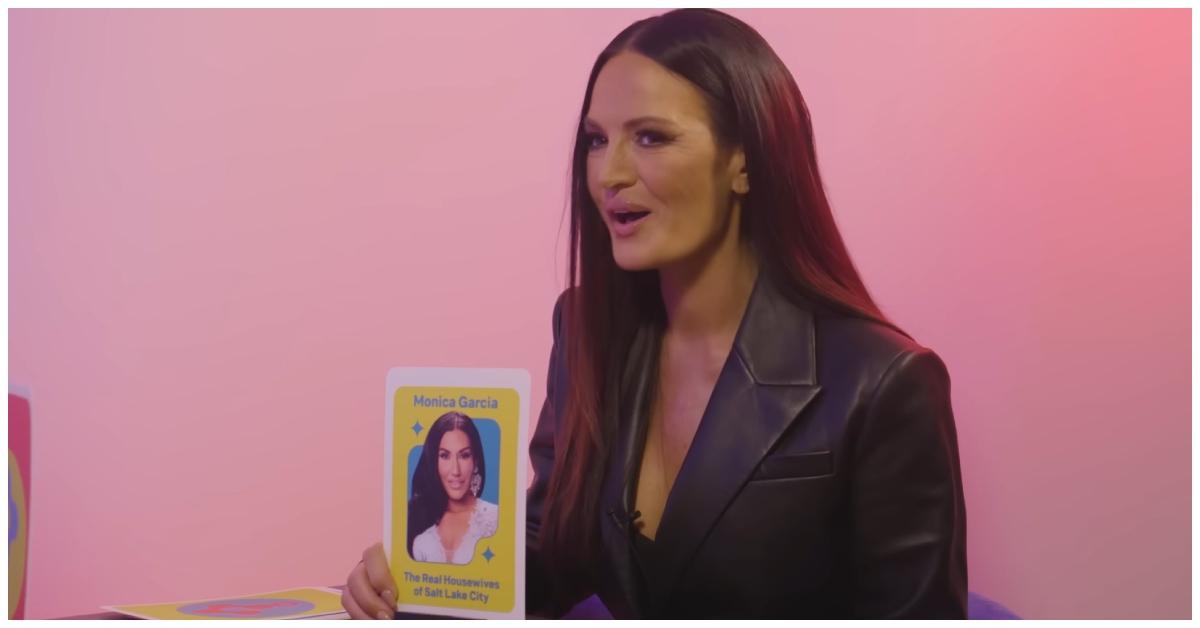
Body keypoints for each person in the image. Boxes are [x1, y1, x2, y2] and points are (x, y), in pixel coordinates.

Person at [344, 8, 966, 619]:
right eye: (596, 140)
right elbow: (547, 555)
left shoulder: (885, 382)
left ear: (744, 160)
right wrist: (418, 586)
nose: (608, 174)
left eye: (650, 137)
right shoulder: (587, 330)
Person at [407, 411, 498, 565]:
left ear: (475, 461)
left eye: (464, 455)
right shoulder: (418, 518)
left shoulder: (497, 518)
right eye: (444, 456)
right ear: (434, 462)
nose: (455, 470)